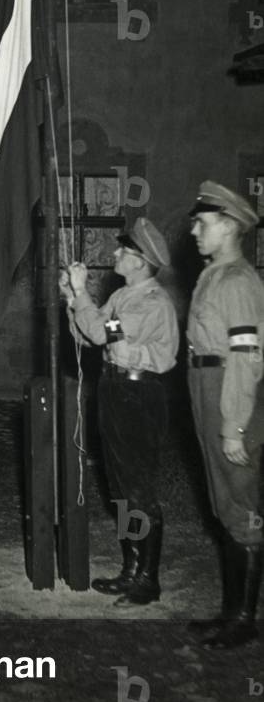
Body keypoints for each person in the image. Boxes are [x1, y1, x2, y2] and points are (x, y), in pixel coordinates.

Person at [62, 217, 178, 607]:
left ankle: (147, 579)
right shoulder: (124, 296)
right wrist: (72, 301)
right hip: (115, 388)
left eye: (123, 250)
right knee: (119, 488)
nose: (114, 253)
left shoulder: (151, 303)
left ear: (140, 261)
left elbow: (102, 332)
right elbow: (89, 336)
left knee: (138, 487)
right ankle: (130, 569)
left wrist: (82, 294)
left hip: (138, 394)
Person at [187, 180, 264, 650]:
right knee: (225, 505)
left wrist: (235, 425)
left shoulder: (237, 282)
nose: (194, 231)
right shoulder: (214, 275)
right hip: (206, 386)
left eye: (203, 223)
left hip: (229, 393)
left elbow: (246, 358)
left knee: (241, 507)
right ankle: (230, 612)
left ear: (230, 226)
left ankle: (244, 620)